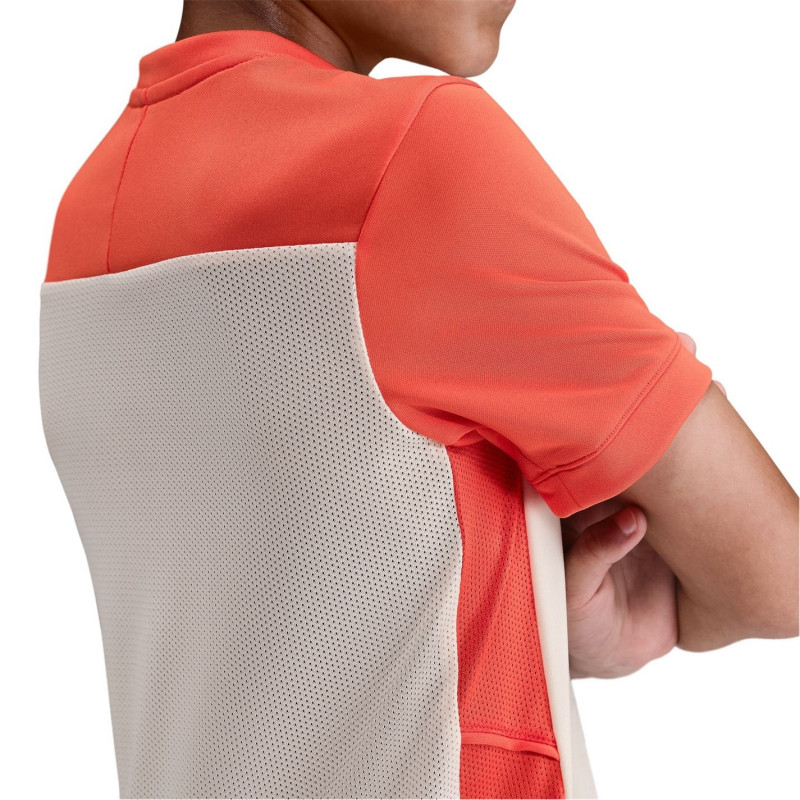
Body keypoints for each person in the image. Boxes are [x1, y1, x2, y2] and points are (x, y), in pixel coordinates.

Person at [39, 1, 798, 798]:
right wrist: (662, 606)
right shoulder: (415, 153)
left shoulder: (88, 213)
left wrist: (540, 608)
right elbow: (778, 573)